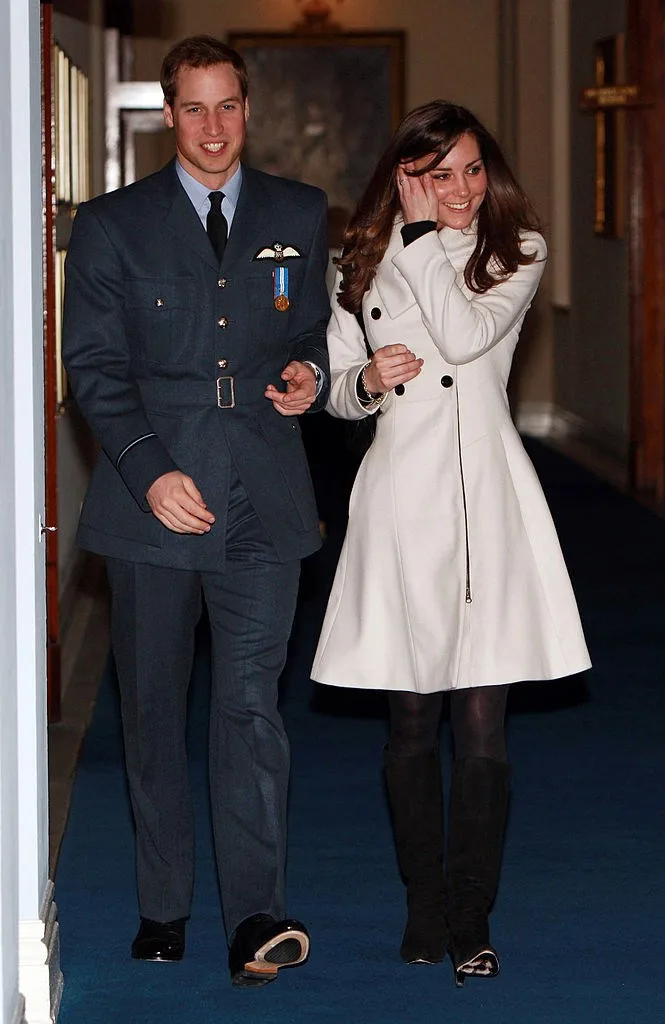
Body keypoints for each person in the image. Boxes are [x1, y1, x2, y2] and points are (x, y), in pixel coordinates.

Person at [62, 35, 331, 988]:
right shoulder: (110, 225)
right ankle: (164, 903)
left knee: (251, 707)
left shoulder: (299, 213)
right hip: (154, 505)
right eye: (194, 109)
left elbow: (307, 329)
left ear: (245, 109)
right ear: (166, 115)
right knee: (152, 711)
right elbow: (92, 370)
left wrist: (310, 373)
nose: (213, 128)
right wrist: (146, 470)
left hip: (264, 493)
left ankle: (256, 913)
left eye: (229, 107)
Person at [311, 101, 591, 987]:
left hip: (484, 503)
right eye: (439, 174)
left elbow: (465, 339)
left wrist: (423, 233)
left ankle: (471, 917)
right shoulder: (355, 260)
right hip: (400, 498)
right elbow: (336, 391)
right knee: (407, 717)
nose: (461, 188)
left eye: (472, 169)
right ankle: (422, 906)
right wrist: (361, 378)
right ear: (405, 176)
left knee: (480, 722)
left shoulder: (518, 252)